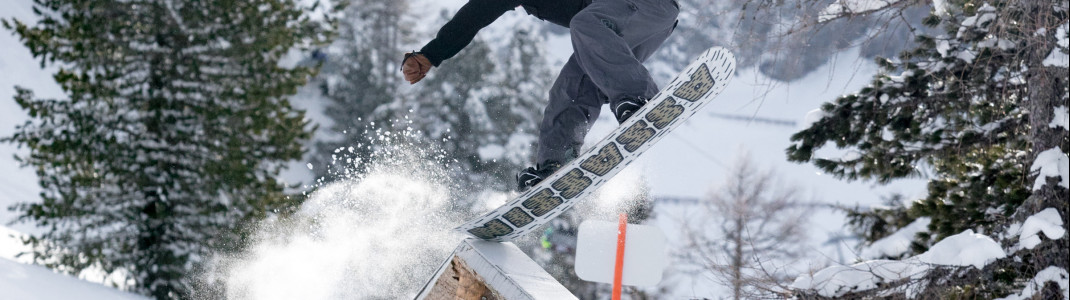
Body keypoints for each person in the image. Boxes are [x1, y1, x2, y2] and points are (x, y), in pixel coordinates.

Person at [401, 0, 679, 191]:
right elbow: (475, 15)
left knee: (585, 24)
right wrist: (431, 54)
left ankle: (639, 99)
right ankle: (556, 167)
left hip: (647, 6)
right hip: (612, 27)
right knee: (571, 87)